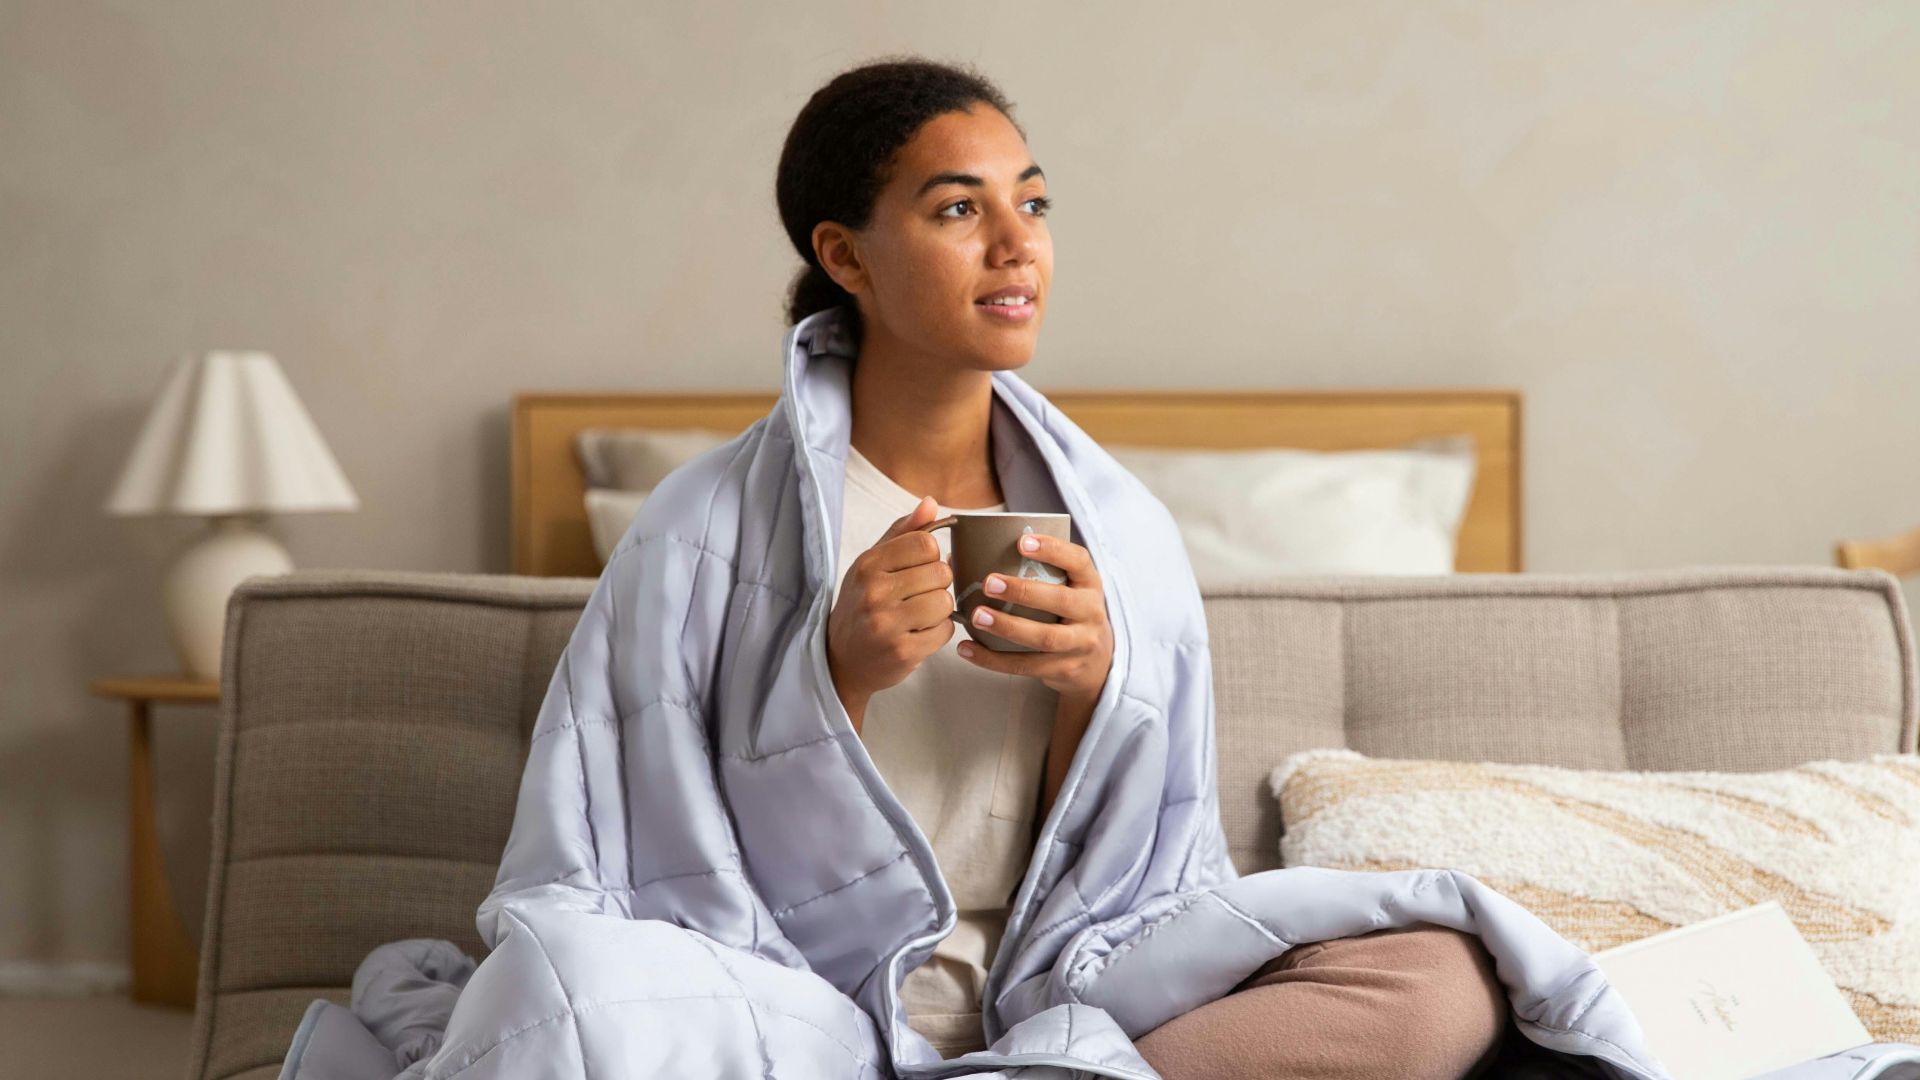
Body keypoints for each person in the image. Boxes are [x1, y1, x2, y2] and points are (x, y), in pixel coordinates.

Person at [778, 56, 1511, 1078]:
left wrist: (1096, 688)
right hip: (792, 1006)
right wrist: (837, 676)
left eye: (1031, 203)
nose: (1015, 243)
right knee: (567, 989)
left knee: (1443, 980)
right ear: (846, 257)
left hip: (1078, 1002)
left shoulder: (1118, 525)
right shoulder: (715, 529)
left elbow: (1145, 881)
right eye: (957, 210)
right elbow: (665, 860)